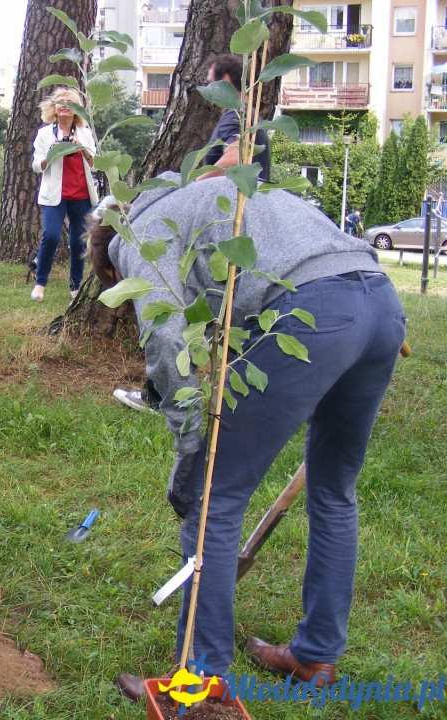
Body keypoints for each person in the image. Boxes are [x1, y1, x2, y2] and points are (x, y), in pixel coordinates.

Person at [87, 175, 405, 696]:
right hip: (380, 302)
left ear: (112, 262)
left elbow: (167, 340)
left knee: (213, 498)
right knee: (334, 491)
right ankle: (316, 656)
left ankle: (202, 678)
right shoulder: (217, 192)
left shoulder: (136, 236)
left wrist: (191, 446)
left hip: (313, 315)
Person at [30, 87, 98, 302]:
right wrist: (50, 154)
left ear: (76, 108)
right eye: (60, 101)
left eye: (70, 101)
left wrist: (82, 149)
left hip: (82, 195)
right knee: (51, 236)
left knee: (78, 242)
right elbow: (36, 165)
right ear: (54, 108)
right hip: (54, 196)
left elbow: (96, 164)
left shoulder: (85, 133)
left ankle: (75, 288)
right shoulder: (44, 133)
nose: (65, 104)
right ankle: (40, 283)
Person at [198, 54, 271, 181]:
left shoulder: (235, 115)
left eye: (210, 83)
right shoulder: (252, 116)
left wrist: (195, 185)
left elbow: (235, 159)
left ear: (225, 81)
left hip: (233, 199)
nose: (207, 89)